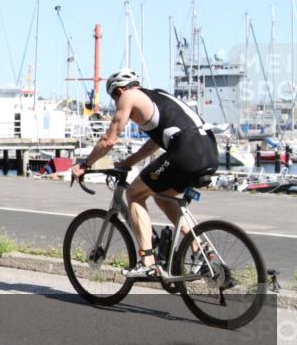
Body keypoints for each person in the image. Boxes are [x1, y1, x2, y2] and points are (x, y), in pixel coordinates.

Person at [71, 69, 218, 279]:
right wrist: (128, 162)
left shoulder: (129, 96)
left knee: (134, 194)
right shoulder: (156, 96)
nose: (116, 104)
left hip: (186, 150)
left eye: (114, 98)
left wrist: (85, 164)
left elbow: (109, 140)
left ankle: (148, 261)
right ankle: (201, 251)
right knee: (162, 197)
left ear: (120, 90)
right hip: (209, 149)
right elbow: (155, 143)